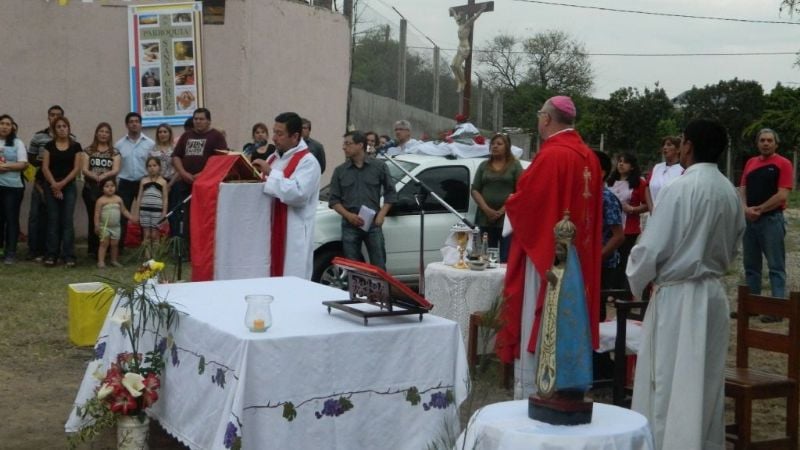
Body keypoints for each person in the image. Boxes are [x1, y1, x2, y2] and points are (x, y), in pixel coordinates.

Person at [627, 118, 744, 450]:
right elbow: (734, 246)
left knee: (669, 380)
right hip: (712, 294)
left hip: (678, 297)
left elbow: (651, 248)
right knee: (704, 382)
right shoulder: (729, 191)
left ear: (687, 146)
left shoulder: (680, 189)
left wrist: (637, 277)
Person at [495, 96, 603, 399]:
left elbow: (528, 204)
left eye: (540, 114)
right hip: (578, 261)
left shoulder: (551, 155)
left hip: (545, 258)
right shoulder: (590, 157)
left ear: (546, 119)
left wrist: (511, 203)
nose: (538, 120)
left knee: (540, 316)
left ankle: (537, 387)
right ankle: (568, 384)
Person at [251, 112, 321, 279]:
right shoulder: (272, 158)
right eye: (274, 132)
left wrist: (270, 173)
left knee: (291, 280)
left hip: (293, 235)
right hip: (270, 230)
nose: (274, 138)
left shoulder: (308, 162)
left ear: (295, 136)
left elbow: (298, 194)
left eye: (279, 133)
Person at [740, 128, 793, 323]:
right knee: (751, 266)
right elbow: (743, 188)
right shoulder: (750, 163)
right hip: (750, 220)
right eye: (762, 140)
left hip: (771, 220)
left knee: (775, 266)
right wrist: (745, 208)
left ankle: (777, 310)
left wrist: (760, 209)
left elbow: (782, 194)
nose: (766, 143)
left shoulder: (783, 164)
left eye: (770, 140)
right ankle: (752, 307)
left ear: (776, 144)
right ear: (757, 143)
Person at [328, 130, 396, 270]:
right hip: (350, 224)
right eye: (344, 144)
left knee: (379, 265)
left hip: (373, 223)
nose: (344, 147)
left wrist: (382, 215)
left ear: (360, 145)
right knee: (352, 267)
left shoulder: (379, 166)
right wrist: (348, 215)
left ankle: (379, 286)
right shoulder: (340, 171)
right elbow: (333, 200)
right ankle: (355, 286)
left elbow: (391, 192)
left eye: (348, 144)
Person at [172, 107, 228, 252]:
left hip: (206, 186)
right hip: (186, 184)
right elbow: (176, 156)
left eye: (201, 119)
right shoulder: (186, 136)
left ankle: (205, 249)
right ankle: (187, 249)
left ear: (209, 121)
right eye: (196, 119)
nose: (198, 121)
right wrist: (183, 172)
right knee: (187, 217)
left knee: (204, 218)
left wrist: (203, 174)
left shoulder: (216, 137)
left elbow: (221, 161)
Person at [470, 133, 522, 262]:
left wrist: (502, 210)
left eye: (499, 144)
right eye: (493, 144)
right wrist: (487, 210)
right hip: (485, 218)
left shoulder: (515, 165)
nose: (495, 146)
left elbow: (521, 191)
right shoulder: (484, 166)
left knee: (506, 258)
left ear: (507, 147)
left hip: (507, 220)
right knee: (486, 257)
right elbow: (475, 189)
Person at [41, 116, 82, 267]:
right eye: (58, 126)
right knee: (53, 220)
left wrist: (62, 184)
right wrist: (54, 185)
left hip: (68, 186)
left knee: (67, 220)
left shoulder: (76, 146)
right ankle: (52, 255)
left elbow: (76, 168)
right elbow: (45, 167)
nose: (62, 129)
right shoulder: (49, 146)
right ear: (54, 130)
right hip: (51, 186)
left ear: (69, 128)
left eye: (64, 126)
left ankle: (69, 255)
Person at [27, 105, 64, 261]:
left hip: (60, 184)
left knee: (55, 218)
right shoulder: (38, 137)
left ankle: (54, 250)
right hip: (41, 182)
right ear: (48, 117)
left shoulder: (69, 137)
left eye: (58, 115)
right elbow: (30, 159)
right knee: (36, 217)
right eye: (52, 114)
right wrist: (44, 162)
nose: (55, 117)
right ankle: (34, 250)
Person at [115, 112, 154, 253]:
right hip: (125, 183)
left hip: (144, 182)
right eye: (131, 121)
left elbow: (154, 165)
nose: (134, 124)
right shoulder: (119, 145)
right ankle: (119, 248)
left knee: (145, 215)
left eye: (137, 121)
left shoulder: (150, 144)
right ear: (126, 125)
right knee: (122, 215)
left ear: (141, 124)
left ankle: (145, 248)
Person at [607, 152, 648, 284]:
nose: (621, 164)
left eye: (625, 162)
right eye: (620, 161)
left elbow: (647, 204)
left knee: (624, 260)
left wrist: (633, 209)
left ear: (632, 166)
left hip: (628, 228)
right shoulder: (609, 182)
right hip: (609, 227)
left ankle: (623, 288)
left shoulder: (639, 183)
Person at [81, 122, 120, 258]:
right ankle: (93, 249)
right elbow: (84, 169)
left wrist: (104, 175)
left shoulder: (114, 152)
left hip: (108, 190)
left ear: (110, 135)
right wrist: (94, 176)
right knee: (94, 218)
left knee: (107, 218)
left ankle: (107, 248)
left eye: (106, 132)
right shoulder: (88, 150)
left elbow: (115, 169)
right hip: (91, 189)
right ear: (96, 133)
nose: (104, 134)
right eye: (101, 131)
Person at [0, 114, 28, 264]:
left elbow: (23, 164)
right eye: (2, 123)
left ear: (12, 127)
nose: (4, 126)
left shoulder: (18, 143)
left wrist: (5, 166)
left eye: (8, 124)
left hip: (12, 188)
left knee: (11, 219)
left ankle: (11, 252)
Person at [94, 179, 134, 269]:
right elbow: (97, 214)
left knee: (115, 244)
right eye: (107, 186)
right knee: (104, 244)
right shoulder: (101, 200)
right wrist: (96, 225)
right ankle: (101, 261)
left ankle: (114, 260)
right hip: (104, 227)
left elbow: (124, 210)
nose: (110, 188)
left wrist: (131, 217)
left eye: (112, 186)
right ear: (102, 189)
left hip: (116, 227)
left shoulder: (118, 199)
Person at [135, 157, 168, 259]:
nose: (152, 168)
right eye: (149, 166)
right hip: (144, 211)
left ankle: (155, 256)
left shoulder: (163, 182)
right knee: (147, 235)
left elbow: (165, 198)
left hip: (157, 212)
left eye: (154, 165)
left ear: (159, 167)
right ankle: (147, 257)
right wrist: (137, 212)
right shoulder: (143, 181)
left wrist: (164, 213)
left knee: (155, 235)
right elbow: (139, 197)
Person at [645, 136, 682, 212]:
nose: (665, 147)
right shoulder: (657, 167)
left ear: (678, 149)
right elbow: (647, 187)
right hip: (653, 213)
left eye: (669, 145)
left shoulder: (683, 169)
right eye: (663, 145)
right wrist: (651, 209)